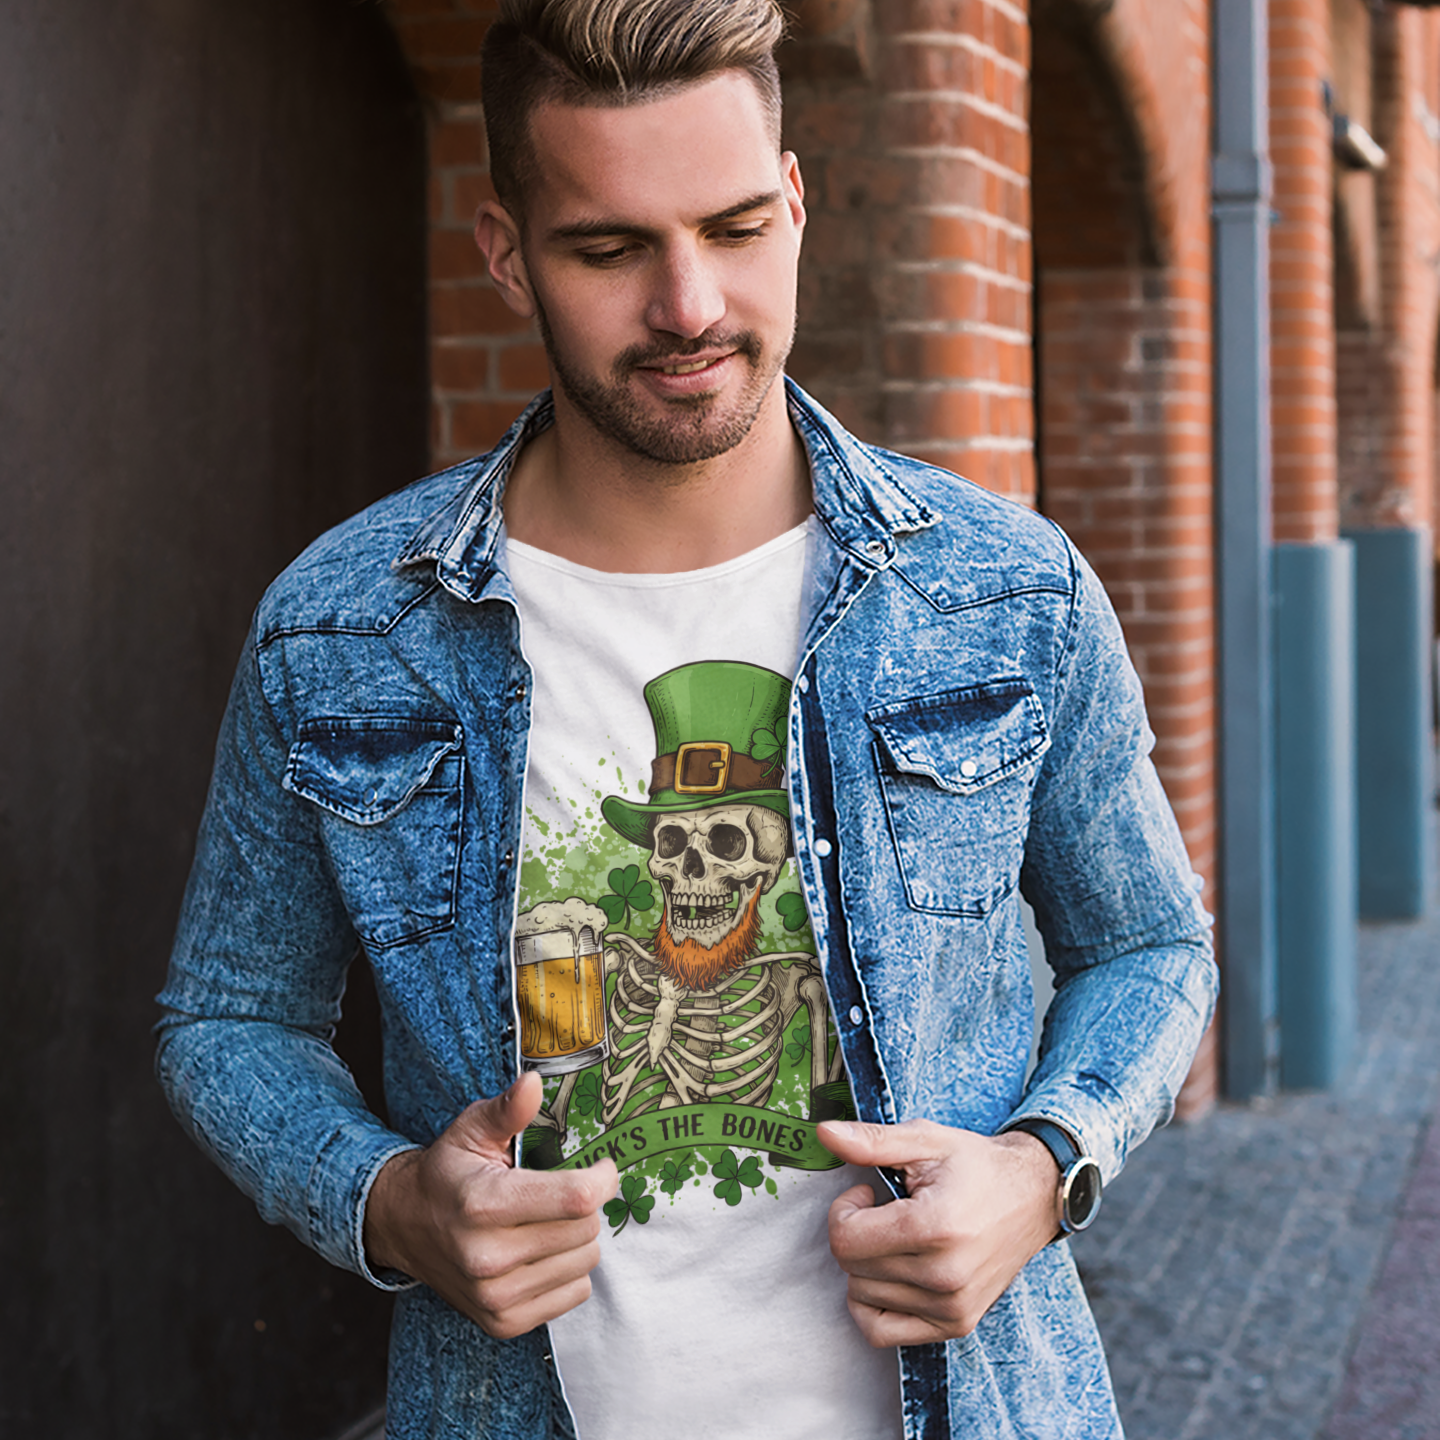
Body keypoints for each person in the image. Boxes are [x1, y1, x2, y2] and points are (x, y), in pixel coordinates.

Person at [157, 0, 1217, 1436]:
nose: (692, 305)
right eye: (610, 247)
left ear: (794, 204)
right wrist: (396, 1203)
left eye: (732, 228)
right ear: (505, 252)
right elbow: (230, 1018)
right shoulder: (345, 630)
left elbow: (1151, 947)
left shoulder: (1002, 592)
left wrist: (1039, 1170)